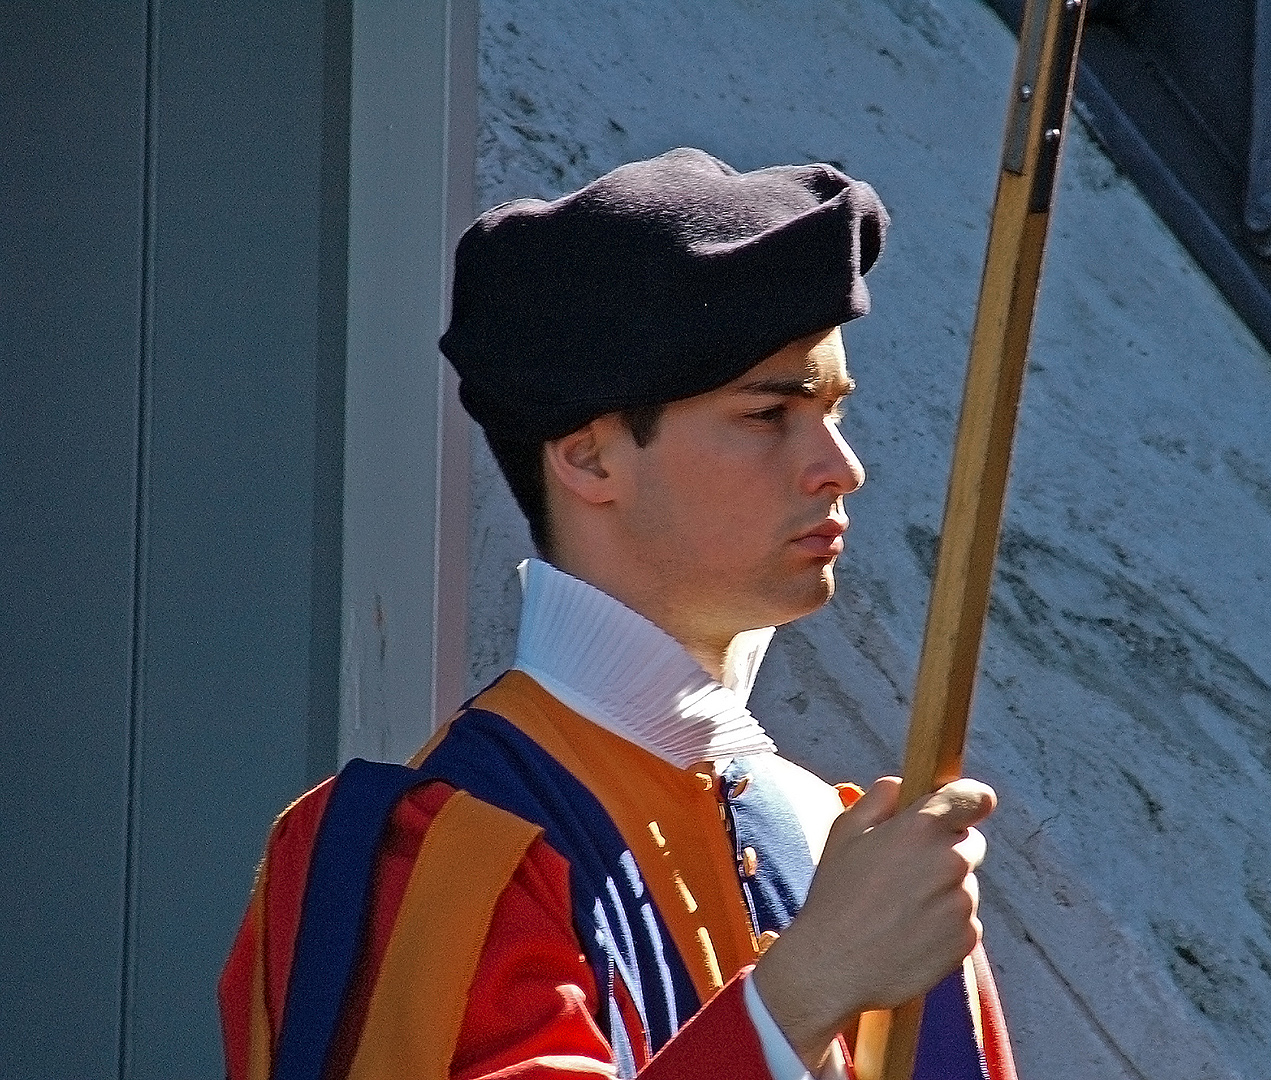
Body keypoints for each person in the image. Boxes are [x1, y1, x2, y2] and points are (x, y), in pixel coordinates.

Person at [220, 148, 1016, 1080]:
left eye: (834, 411)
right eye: (769, 415)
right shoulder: (439, 851)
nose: (840, 468)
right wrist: (801, 995)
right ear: (590, 460)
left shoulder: (837, 838)